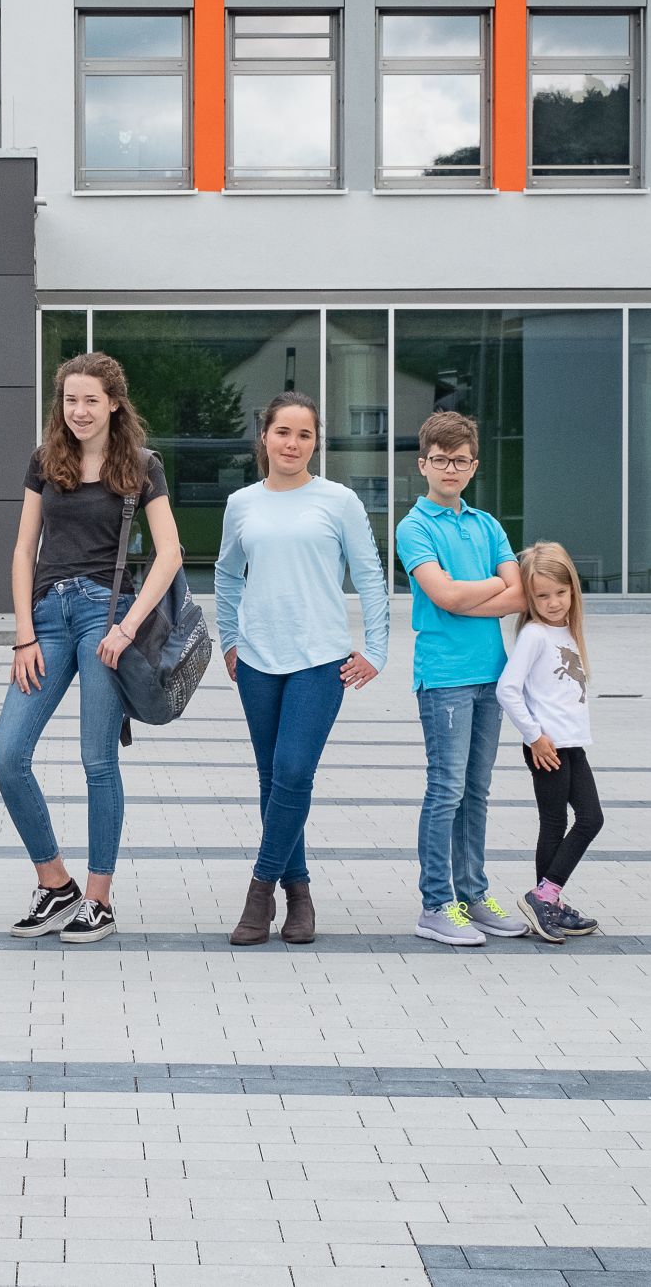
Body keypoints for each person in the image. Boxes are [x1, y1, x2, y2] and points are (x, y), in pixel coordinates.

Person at [0, 353, 184, 944]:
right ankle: (56, 885)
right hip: (46, 618)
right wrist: (22, 632)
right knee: (7, 755)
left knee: (98, 760)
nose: (78, 411)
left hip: (108, 620)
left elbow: (171, 554)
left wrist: (126, 629)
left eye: (90, 400)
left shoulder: (142, 467)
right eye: (70, 400)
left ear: (114, 403)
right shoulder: (46, 461)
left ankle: (98, 898)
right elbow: (24, 551)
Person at [214, 392, 388, 946]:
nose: (292, 443)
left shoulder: (338, 501)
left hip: (320, 659)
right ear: (263, 436)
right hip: (259, 661)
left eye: (304, 435)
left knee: (293, 773)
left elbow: (370, 575)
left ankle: (260, 890)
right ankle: (301, 894)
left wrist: (376, 650)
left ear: (317, 442)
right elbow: (225, 575)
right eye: (283, 432)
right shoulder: (242, 503)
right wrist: (230, 641)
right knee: (273, 783)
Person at [395, 410, 529, 947]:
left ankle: (474, 894)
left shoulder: (487, 524)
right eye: (441, 460)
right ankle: (435, 904)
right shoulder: (414, 527)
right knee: (446, 789)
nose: (451, 469)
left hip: (491, 676)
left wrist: (460, 593)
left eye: (461, 461)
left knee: (478, 790)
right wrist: (482, 592)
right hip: (445, 678)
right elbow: (443, 596)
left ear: (474, 466)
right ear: (423, 463)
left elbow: (519, 596)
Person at [497, 541, 604, 945]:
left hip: (571, 744)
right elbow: (507, 689)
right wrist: (535, 736)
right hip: (547, 745)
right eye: (542, 595)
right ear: (530, 597)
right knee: (558, 822)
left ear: (573, 589)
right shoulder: (536, 635)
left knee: (590, 818)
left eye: (560, 592)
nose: (553, 602)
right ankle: (544, 898)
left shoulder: (566, 632)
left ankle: (549, 898)